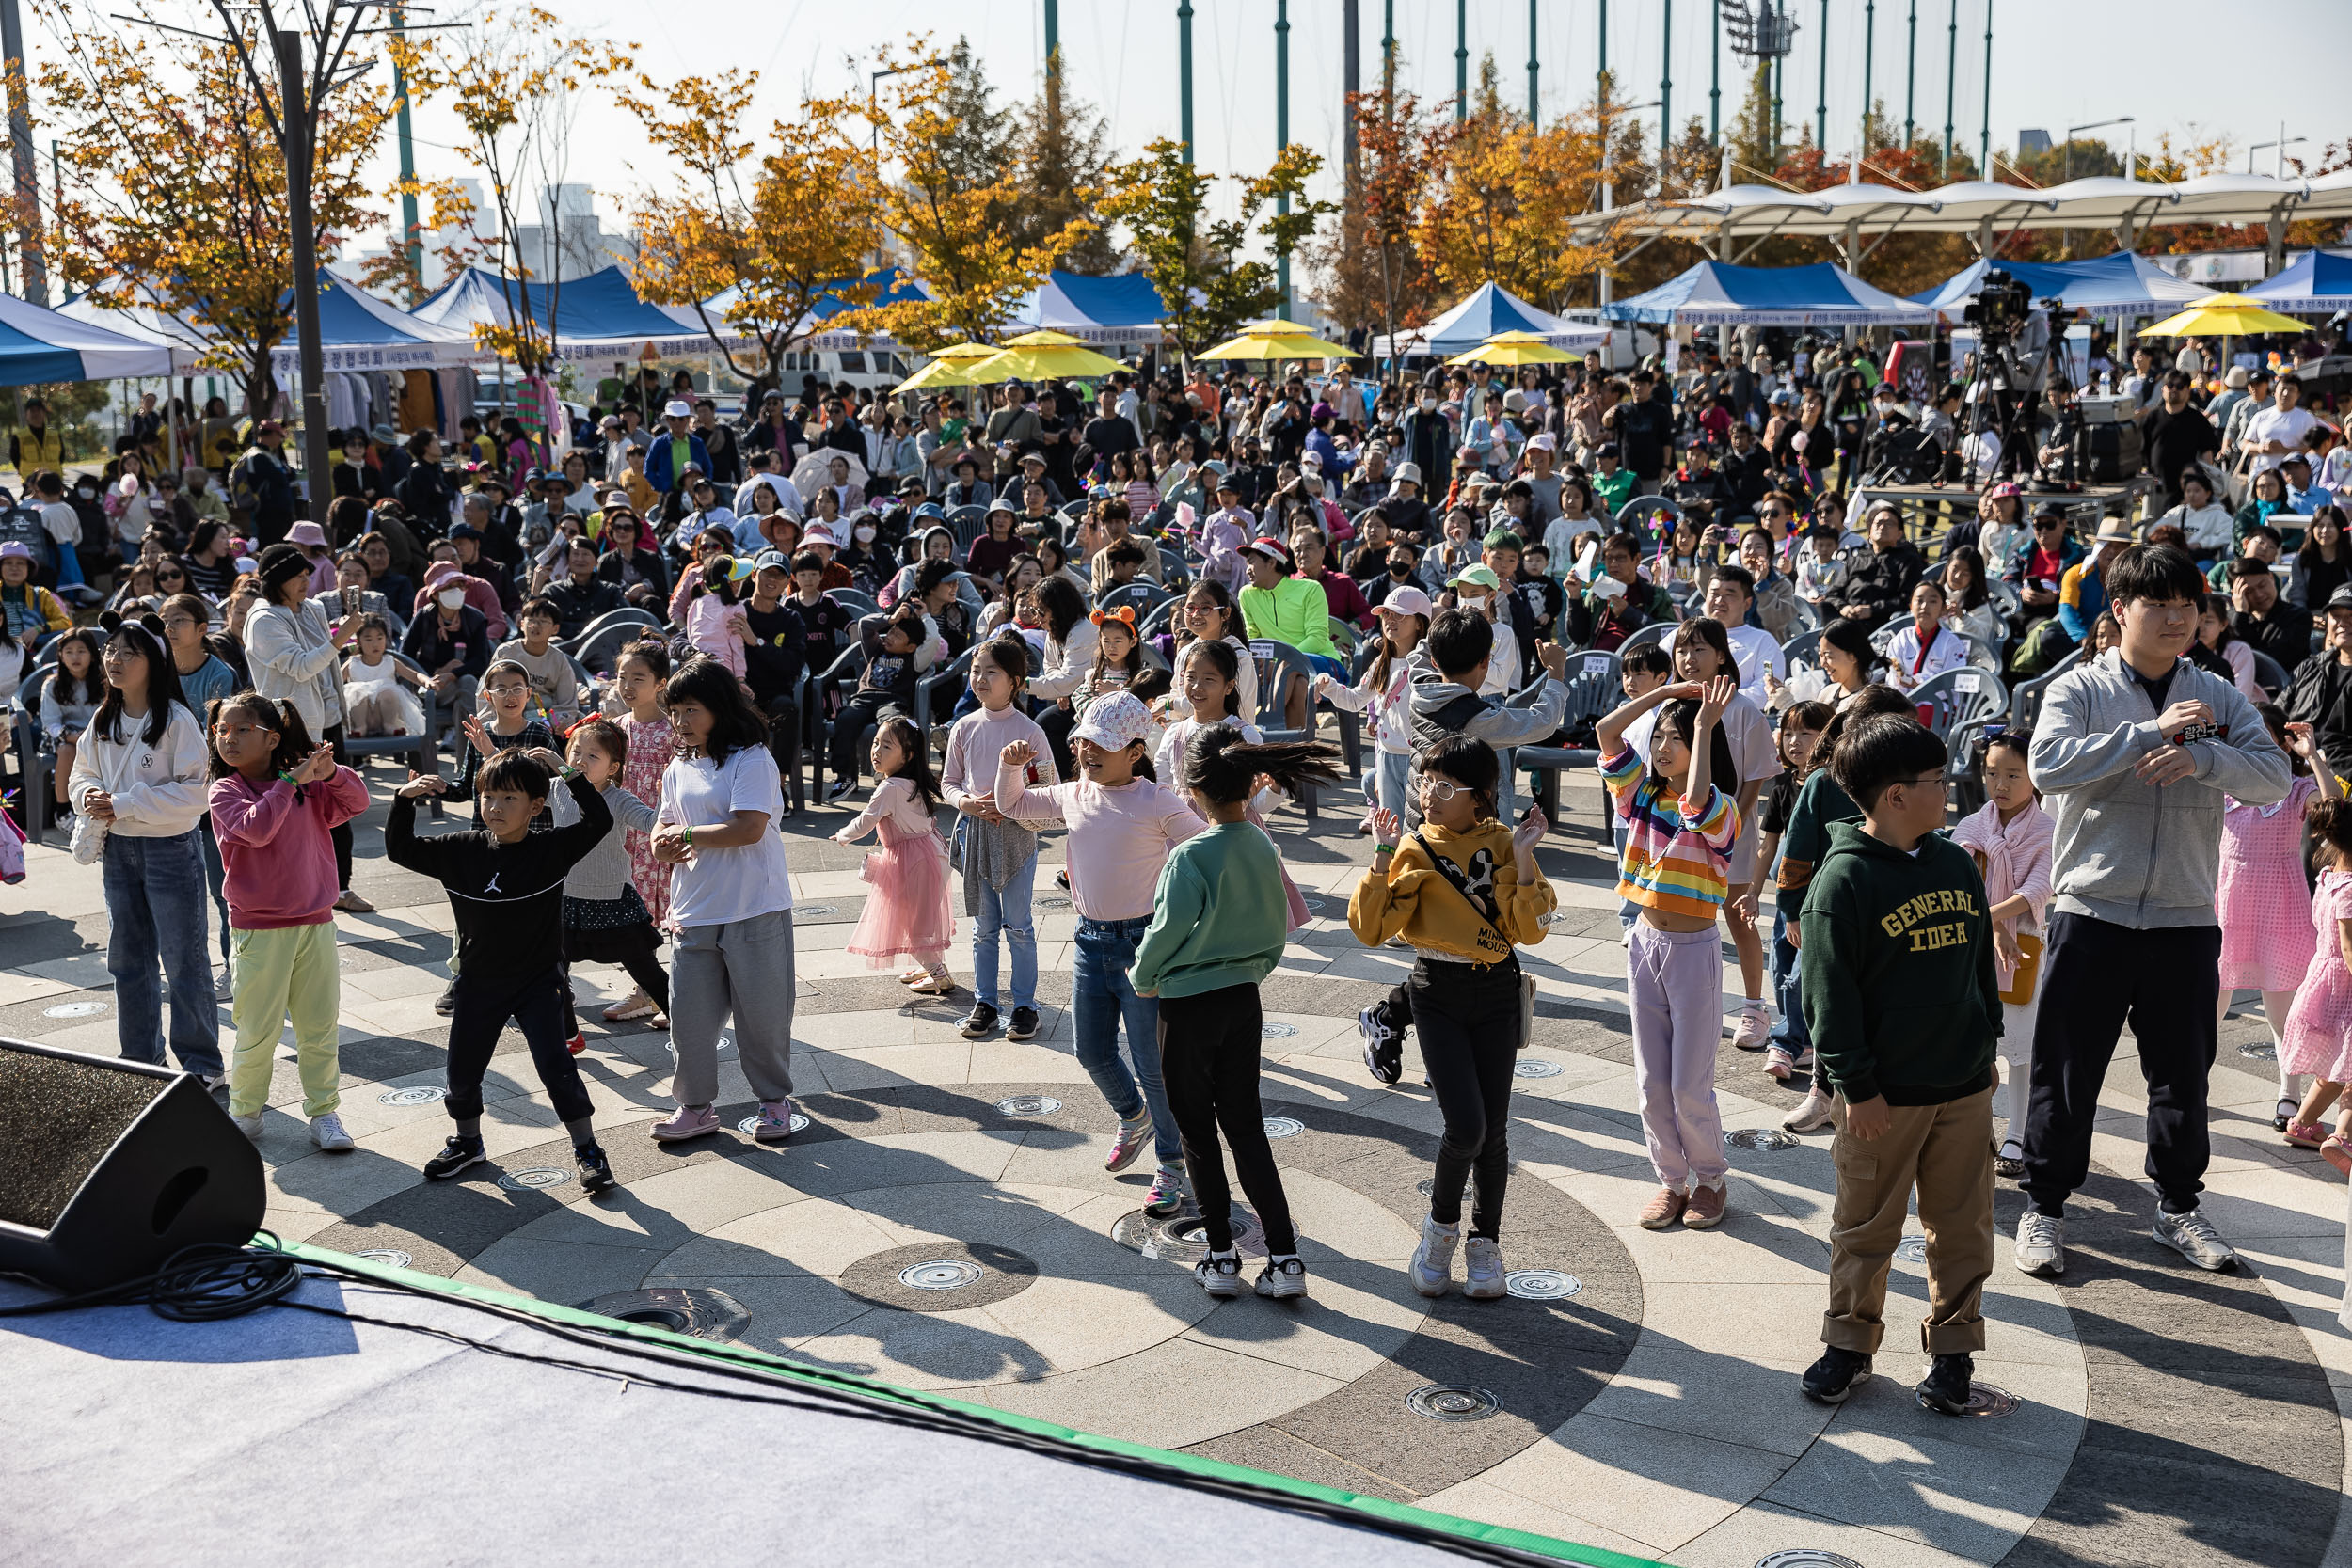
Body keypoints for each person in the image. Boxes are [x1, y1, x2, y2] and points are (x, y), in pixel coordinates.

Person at [2015, 543, 2294, 1280]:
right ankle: (2044, 1206)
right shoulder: (2079, 688)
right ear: (2119, 611)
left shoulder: (2219, 695)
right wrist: (2153, 730)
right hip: (2091, 910)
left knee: (2183, 1074)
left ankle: (2177, 1206)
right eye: (2159, 605)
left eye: (2189, 606)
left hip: (2184, 915)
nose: (2177, 619)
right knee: (2068, 1071)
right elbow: (2048, 766)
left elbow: (2272, 776)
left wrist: (2204, 757)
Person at [1796, 714, 2001, 1416]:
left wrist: (1988, 1044)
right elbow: (1829, 997)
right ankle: (1849, 1344)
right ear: (1894, 795)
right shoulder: (1842, 881)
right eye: (1938, 781)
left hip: (1964, 1085)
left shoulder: (1952, 862)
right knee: (1865, 1227)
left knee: (1963, 1225)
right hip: (1883, 1098)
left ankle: (1953, 1355)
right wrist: (1857, 1084)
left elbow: (1979, 965)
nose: (1950, 790)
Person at [1136, 731, 1340, 1301]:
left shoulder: (1190, 855)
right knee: (1247, 1129)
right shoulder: (1261, 845)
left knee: (1198, 1135)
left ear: (1194, 791)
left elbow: (1165, 933)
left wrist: (1143, 979)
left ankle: (1222, 1256)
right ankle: (1284, 1257)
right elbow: (1276, 927)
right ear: (1249, 785)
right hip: (1241, 999)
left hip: (1186, 1004)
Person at [1349, 736, 1555, 1295]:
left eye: (1445, 786)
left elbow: (1530, 930)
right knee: (1465, 1125)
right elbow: (1370, 929)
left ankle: (1485, 1244)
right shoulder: (1414, 846)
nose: (1430, 794)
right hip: (1434, 990)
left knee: (1493, 1131)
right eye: (1426, 782)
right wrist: (1383, 854)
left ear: (1480, 796)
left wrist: (1528, 855)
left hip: (1495, 992)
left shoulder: (1507, 843)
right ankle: (1439, 1232)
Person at [995, 692, 1204, 1220]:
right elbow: (1014, 806)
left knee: (1152, 1063)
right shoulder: (1074, 794)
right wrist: (1009, 768)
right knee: (1089, 1049)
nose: (1088, 753)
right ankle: (1131, 1117)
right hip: (1090, 940)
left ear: (1136, 752)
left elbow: (1205, 845)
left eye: (1102, 746)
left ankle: (1172, 1162)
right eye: (1084, 742)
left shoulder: (1156, 800)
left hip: (1144, 945)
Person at [388, 749, 620, 1192]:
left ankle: (588, 1148)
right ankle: (468, 1142)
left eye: (509, 798)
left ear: (536, 806)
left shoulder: (551, 848)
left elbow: (599, 822)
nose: (495, 807)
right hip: (478, 983)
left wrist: (567, 772)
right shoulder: (460, 850)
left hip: (538, 982)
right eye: (487, 796)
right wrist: (403, 799)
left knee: (556, 1066)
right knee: (462, 1068)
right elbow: (400, 849)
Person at [1596, 673, 1742, 1230]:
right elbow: (1609, 731)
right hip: (1645, 942)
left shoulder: (1717, 811)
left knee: (1688, 1083)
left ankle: (1710, 1179)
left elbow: (1698, 799)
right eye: (1657, 737)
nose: (1660, 747)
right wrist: (1663, 697)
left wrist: (1702, 725)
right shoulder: (1638, 795)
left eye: (1672, 740)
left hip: (1692, 951)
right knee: (1652, 1081)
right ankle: (1671, 1181)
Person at [646, 657, 803, 1144]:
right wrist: (660, 842)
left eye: (691, 709)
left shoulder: (752, 758)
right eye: (675, 711)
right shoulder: (678, 765)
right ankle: (695, 1108)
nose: (681, 721)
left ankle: (774, 1103)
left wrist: (687, 834)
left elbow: (749, 827)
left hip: (754, 906)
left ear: (718, 707)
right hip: (693, 910)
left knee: (763, 1017)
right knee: (688, 1023)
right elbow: (663, 824)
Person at [207, 692, 370, 1148]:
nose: (230, 739)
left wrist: (329, 772)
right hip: (258, 927)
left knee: (319, 1026)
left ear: (272, 737)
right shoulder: (225, 791)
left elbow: (357, 801)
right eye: (222, 730)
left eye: (242, 730)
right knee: (258, 1029)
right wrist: (289, 782)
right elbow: (257, 830)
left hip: (315, 921)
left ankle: (324, 1114)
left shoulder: (309, 786)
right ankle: (246, 1111)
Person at [71, 615, 220, 1084]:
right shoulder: (103, 718)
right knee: (128, 960)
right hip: (120, 852)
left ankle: (202, 1065)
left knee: (184, 959)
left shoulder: (177, 720)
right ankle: (140, 1061)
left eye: (129, 653)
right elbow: (81, 773)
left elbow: (197, 794)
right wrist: (89, 797)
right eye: (112, 650)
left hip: (170, 849)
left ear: (153, 662)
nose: (115, 659)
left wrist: (124, 803)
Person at [1770, 685, 1921, 1133]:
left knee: (1879, 1002)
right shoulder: (1822, 781)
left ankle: (1876, 1090)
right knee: (1831, 1002)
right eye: (1900, 728)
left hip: (1892, 913)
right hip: (1830, 913)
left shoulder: (1908, 781)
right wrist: (1792, 911)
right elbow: (1795, 854)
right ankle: (1821, 1092)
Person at [2218, 709, 2337, 1138]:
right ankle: (2193, 1087)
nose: (2253, 742)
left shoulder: (2296, 788)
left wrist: (2314, 756)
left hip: (2280, 906)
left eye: (2264, 735)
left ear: (2283, 742)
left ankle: (2289, 1094)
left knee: (2281, 1012)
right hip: (2226, 902)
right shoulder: (2224, 785)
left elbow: (2333, 810)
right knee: (2209, 1004)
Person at [1951, 732, 2056, 1180]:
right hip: (1975, 945)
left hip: (2024, 944)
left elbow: (2039, 888)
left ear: (2035, 775)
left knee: (2020, 1045)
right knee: (1973, 1043)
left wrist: (1992, 918)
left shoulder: (2048, 830)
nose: (2001, 783)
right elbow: (1958, 879)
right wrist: (1992, 925)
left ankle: (2016, 1130)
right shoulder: (1973, 826)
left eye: (2014, 774)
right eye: (1992, 772)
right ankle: (1972, 1126)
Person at [941, 637, 1056, 1042]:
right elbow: (949, 783)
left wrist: (1013, 804)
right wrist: (968, 804)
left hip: (1018, 837)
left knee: (1019, 924)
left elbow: (1048, 786)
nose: (981, 679)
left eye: (992, 672)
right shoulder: (964, 727)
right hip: (975, 832)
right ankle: (986, 1001)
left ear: (1016, 682)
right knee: (984, 927)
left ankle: (1025, 1005)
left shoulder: (1030, 731)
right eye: (976, 670)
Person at [246, 543, 370, 912]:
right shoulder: (263, 619)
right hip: (292, 728)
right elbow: (300, 666)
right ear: (278, 580)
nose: (307, 580)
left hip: (328, 719)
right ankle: (298, 891)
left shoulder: (313, 608)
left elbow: (326, 665)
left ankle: (341, 888)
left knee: (338, 808)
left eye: (306, 575)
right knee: (299, 814)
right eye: (298, 576)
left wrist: (341, 634)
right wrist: (341, 636)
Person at [551, 719, 671, 1044]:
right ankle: (567, 1034)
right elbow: (522, 792)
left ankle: (682, 1016)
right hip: (567, 899)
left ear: (613, 767)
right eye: (577, 751)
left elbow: (651, 822)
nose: (580, 760)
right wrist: (492, 753)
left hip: (613, 900)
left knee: (643, 967)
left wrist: (664, 799)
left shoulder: (619, 799)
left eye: (593, 756)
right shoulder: (557, 787)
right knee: (553, 971)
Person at [834, 714, 956, 992]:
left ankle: (939, 974)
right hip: (933, 854)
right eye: (876, 743)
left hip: (914, 862)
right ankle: (933, 967)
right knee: (924, 919)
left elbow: (865, 821)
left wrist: (843, 835)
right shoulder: (913, 784)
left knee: (911, 926)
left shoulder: (889, 788)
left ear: (907, 756)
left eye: (887, 746)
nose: (876, 750)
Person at [1752, 701, 1834, 1082]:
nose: (1795, 742)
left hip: (1817, 894)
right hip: (1787, 891)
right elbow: (1768, 845)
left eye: (1806, 733)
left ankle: (1786, 1042)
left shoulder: (1834, 786)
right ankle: (1796, 1035)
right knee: (1782, 963)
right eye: (1787, 733)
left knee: (1804, 970)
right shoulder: (1783, 787)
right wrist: (1752, 891)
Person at [1316, 587, 1435, 824]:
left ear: (1420, 623)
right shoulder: (1381, 662)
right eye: (1386, 615)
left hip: (1421, 758)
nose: (1390, 620)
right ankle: (1393, 861)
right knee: (1391, 822)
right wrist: (1329, 686)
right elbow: (1354, 700)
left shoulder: (1430, 664)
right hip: (1387, 754)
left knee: (1422, 823)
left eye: (1399, 615)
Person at [2280, 798, 2352, 1170]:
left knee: (2339, 1065)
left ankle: (2303, 1124)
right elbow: (2349, 946)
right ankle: (2342, 1138)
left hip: (2323, 978)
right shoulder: (2350, 888)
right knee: (2347, 1066)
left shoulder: (2328, 877)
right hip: (2345, 985)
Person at [1822, 500, 1926, 634]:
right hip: (1847, 618)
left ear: (1899, 533)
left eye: (1889, 524)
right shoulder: (1856, 559)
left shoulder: (1908, 560)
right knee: (1824, 607)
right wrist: (1844, 607)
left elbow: (1907, 599)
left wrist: (1872, 610)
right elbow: (1833, 593)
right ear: (1870, 531)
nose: (1882, 527)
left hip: (1882, 623)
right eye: (1878, 523)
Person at [492, 597, 583, 729]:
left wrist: (557, 723)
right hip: (508, 713)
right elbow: (489, 691)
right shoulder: (506, 652)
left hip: (546, 720)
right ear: (522, 624)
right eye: (531, 620)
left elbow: (567, 704)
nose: (535, 626)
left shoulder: (558, 659)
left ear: (555, 629)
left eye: (543, 621)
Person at [342, 613, 430, 738]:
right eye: (368, 639)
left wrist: (427, 681)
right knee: (356, 692)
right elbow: (336, 681)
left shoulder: (390, 661)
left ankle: (389, 726)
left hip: (384, 716)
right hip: (360, 718)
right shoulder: (353, 663)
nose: (375, 644)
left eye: (379, 638)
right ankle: (360, 727)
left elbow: (414, 676)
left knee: (388, 692)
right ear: (359, 641)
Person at [1884, 579, 1972, 692]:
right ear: (1911, 606)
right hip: (1901, 702)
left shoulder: (1952, 642)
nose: (1924, 606)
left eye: (1933, 601)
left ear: (1943, 609)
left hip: (1938, 705)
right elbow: (1893, 678)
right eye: (1919, 600)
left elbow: (1953, 681)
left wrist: (1919, 683)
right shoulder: (1901, 639)